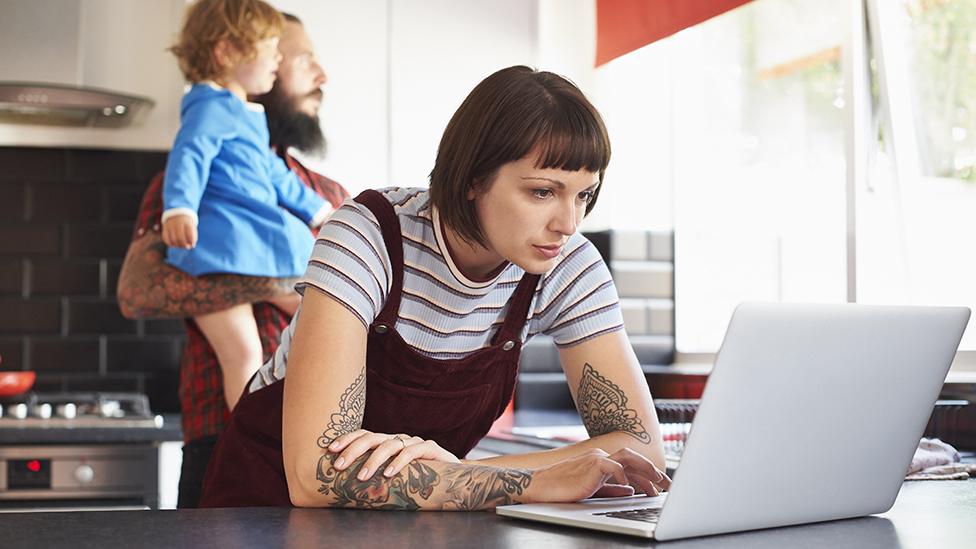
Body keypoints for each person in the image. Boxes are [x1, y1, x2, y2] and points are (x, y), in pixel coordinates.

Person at [199, 65, 672, 510]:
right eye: (542, 192)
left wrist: (461, 475)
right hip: (262, 511)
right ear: (471, 179)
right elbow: (314, 475)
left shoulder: (565, 264)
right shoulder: (368, 236)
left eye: (584, 194)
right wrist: (533, 481)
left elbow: (640, 448)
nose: (568, 223)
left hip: (414, 524)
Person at [116, 13, 348, 508]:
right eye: (300, 58)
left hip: (323, 450)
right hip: (218, 443)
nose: (321, 75)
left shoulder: (330, 197)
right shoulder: (187, 187)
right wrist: (276, 286)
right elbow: (138, 290)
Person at [163, 0, 332, 414]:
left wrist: (316, 210)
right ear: (226, 52)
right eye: (272, 49)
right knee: (243, 354)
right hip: (221, 249)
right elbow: (189, 157)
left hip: (249, 247)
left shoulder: (242, 114)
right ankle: (246, 436)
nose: (274, 59)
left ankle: (289, 416)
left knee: (325, 319)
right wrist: (179, 209)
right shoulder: (209, 106)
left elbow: (272, 173)